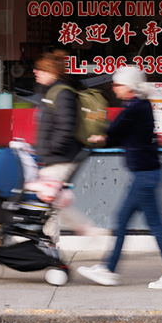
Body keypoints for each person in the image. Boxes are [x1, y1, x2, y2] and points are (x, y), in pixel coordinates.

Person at [77, 66, 162, 289]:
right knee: (122, 220)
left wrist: (100, 136)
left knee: (155, 226)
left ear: (129, 87)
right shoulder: (138, 106)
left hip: (145, 176)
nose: (113, 88)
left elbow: (115, 131)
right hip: (144, 174)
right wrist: (106, 138)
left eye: (117, 84)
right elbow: (121, 135)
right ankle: (109, 269)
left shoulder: (136, 107)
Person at [31, 50, 105, 239]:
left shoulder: (62, 93)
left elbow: (65, 128)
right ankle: (55, 243)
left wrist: (48, 149)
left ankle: (81, 232)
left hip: (62, 158)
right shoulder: (49, 92)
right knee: (52, 201)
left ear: (52, 72)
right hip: (54, 158)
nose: (35, 72)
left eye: (40, 69)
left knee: (47, 197)